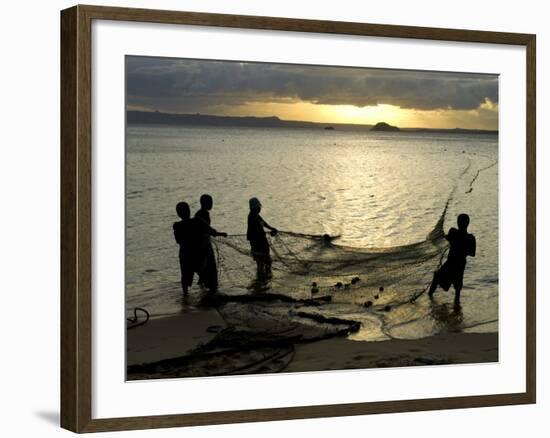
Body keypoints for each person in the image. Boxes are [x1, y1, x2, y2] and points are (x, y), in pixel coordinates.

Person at [429, 213, 476, 304]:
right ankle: (456, 310)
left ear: (458, 223)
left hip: (452, 264)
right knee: (457, 289)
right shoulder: (470, 238)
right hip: (460, 265)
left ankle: (430, 302)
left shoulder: (455, 233)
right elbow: (472, 253)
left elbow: (446, 238)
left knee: (437, 278)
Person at [194, 194, 227, 294]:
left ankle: (204, 289)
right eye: (210, 202)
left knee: (205, 267)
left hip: (204, 244)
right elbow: (206, 229)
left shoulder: (202, 213)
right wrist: (220, 233)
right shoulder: (201, 215)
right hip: (203, 245)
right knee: (208, 266)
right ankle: (210, 289)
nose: (212, 204)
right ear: (204, 203)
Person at [247, 197, 278, 280]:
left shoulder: (256, 215)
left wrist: (271, 228)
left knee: (264, 262)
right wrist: (269, 232)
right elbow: (256, 231)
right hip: (257, 243)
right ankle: (263, 279)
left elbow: (264, 223)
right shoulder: (252, 217)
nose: (259, 208)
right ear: (255, 208)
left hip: (260, 241)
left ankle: (262, 281)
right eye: (258, 207)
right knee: (263, 262)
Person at [172, 202, 197, 295]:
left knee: (185, 276)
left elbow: (178, 241)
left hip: (185, 253)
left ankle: (185, 295)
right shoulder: (195, 221)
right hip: (195, 252)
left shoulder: (177, 226)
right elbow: (207, 229)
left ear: (178, 214)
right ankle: (205, 291)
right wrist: (217, 233)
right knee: (202, 272)